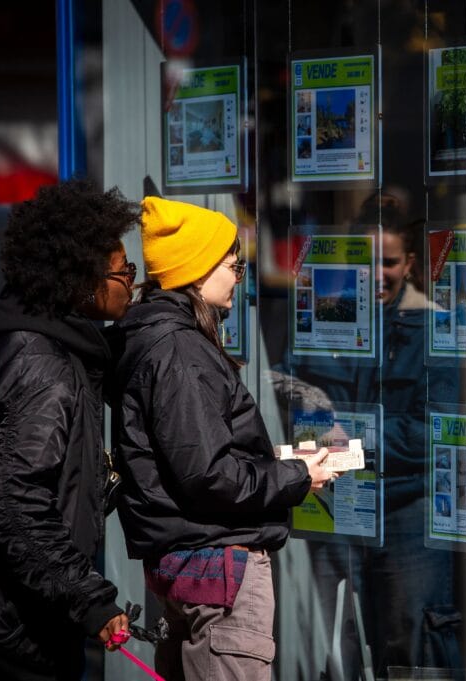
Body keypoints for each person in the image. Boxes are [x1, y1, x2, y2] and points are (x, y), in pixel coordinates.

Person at [0, 178, 138, 680]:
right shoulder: (44, 366)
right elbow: (16, 504)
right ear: (84, 281)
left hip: (2, 618)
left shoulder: (16, 343)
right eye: (125, 271)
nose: (133, 283)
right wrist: (90, 601)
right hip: (20, 629)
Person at [109, 196, 333, 681]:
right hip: (219, 566)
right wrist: (297, 476)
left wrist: (275, 460)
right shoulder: (180, 351)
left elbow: (196, 452)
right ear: (197, 269)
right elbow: (208, 474)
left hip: (194, 563)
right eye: (233, 266)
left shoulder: (161, 341)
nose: (238, 277)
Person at [283, 200, 461, 679]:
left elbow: (438, 432)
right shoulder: (322, 320)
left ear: (409, 264)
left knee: (410, 638)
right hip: (334, 501)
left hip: (406, 509)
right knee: (328, 643)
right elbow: (289, 391)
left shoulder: (434, 326)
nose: (377, 274)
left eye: (388, 261)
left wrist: (356, 437)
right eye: (365, 262)